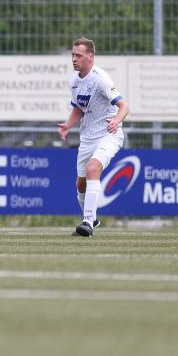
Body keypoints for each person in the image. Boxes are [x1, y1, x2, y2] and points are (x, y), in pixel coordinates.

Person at [57, 37, 130, 237]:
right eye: (72, 55)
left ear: (91, 57)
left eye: (78, 55)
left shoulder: (101, 79)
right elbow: (79, 109)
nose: (74, 59)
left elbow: (124, 106)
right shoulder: (73, 81)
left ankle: (87, 222)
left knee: (92, 169)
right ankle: (93, 218)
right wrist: (67, 126)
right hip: (87, 137)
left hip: (109, 134)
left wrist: (116, 120)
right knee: (80, 184)